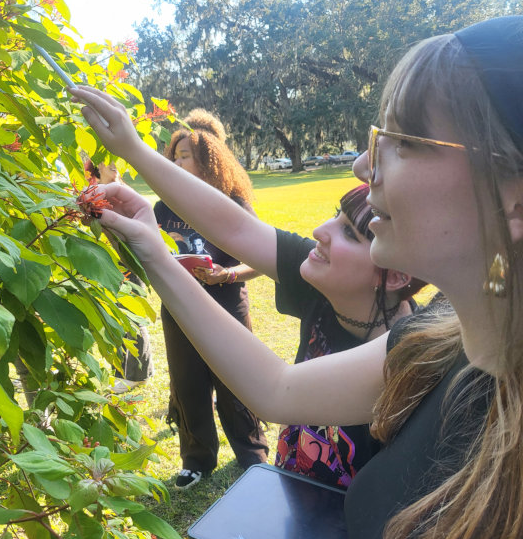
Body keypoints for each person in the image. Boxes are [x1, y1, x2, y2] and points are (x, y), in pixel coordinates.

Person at [72, 15, 523, 539]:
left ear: (513, 199)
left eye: (401, 140)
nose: (362, 164)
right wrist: (150, 244)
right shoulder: (435, 346)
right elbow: (278, 389)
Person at [91, 139, 423, 488]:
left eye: (350, 233)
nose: (319, 232)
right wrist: (132, 147)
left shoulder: (405, 357)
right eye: (333, 215)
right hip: (295, 496)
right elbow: (235, 228)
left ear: (397, 274)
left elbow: (276, 391)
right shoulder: (326, 285)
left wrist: (155, 257)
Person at [154, 110, 269, 488]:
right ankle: (196, 460)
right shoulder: (163, 207)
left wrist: (227, 273)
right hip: (179, 304)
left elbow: (263, 258)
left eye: (184, 155)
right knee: (187, 383)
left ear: (208, 158)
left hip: (226, 301)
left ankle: (252, 455)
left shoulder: (232, 202)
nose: (176, 162)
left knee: (234, 377)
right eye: (174, 156)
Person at [84, 158, 153, 390]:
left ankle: (138, 374)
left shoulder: (123, 192)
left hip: (127, 263)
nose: (114, 165)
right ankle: (121, 372)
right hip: (104, 265)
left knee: (132, 317)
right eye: (108, 161)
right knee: (115, 319)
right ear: (97, 165)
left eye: (117, 161)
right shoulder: (90, 189)